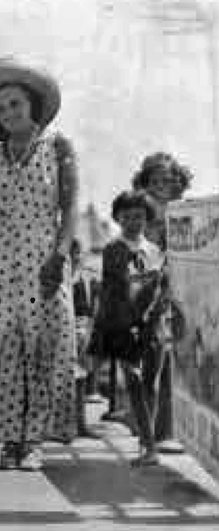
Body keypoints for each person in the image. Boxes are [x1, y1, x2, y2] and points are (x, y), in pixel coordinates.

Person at [0, 56, 79, 471]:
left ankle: (34, 441)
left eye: (15, 103)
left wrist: (60, 255)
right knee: (4, 345)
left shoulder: (58, 148)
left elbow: (70, 208)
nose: (9, 113)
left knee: (43, 343)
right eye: (0, 108)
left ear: (32, 104)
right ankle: (10, 439)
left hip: (44, 254)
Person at [95, 190, 166, 466]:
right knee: (134, 383)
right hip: (125, 326)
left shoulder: (155, 250)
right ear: (117, 218)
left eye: (139, 216)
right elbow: (115, 290)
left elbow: (161, 288)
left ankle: (146, 441)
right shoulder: (113, 250)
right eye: (126, 216)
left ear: (147, 218)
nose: (133, 222)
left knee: (151, 384)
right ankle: (150, 447)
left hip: (154, 326)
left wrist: (156, 310)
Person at [131, 152, 193, 454]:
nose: (162, 185)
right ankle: (150, 432)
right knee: (151, 362)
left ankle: (164, 431)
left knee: (171, 362)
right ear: (145, 183)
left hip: (175, 291)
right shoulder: (141, 213)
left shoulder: (183, 211)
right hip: (147, 292)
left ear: (178, 182)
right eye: (155, 180)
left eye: (168, 179)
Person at [70, 239, 101, 438]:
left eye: (77, 253)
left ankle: (80, 424)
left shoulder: (88, 277)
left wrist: (90, 331)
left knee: (81, 378)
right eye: (72, 253)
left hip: (83, 329)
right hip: (61, 328)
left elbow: (95, 307)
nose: (75, 257)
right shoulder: (56, 276)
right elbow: (33, 299)